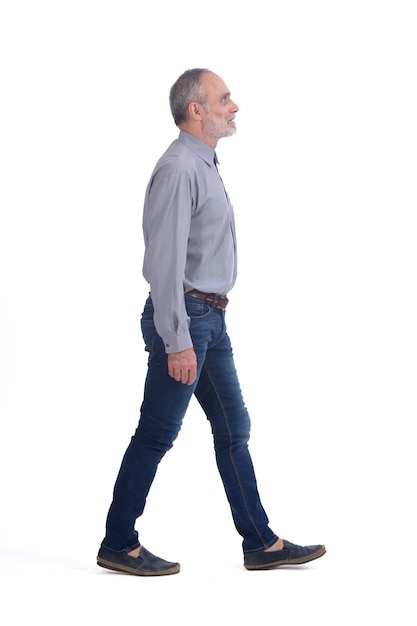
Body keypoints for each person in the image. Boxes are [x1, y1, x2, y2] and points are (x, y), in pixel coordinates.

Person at [97, 68, 326, 576]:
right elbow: (164, 262)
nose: (234, 106)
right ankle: (118, 541)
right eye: (224, 98)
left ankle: (260, 542)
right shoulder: (181, 167)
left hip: (210, 320)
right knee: (157, 432)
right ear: (195, 110)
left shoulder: (205, 163)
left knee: (232, 427)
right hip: (186, 320)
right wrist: (177, 340)